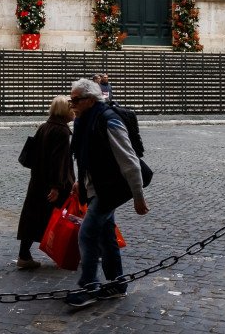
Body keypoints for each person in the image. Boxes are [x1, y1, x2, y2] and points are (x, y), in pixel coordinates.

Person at [65, 78, 148, 309]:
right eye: (70, 99)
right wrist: (80, 182)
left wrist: (138, 198)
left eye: (75, 100)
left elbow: (130, 161)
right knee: (105, 234)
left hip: (111, 189)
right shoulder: (84, 122)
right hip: (97, 186)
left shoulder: (109, 121)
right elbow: (87, 159)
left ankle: (89, 286)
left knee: (88, 233)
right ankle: (117, 284)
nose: (72, 104)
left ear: (90, 101)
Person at [17, 95, 76, 269]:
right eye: (72, 109)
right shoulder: (62, 131)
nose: (74, 112)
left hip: (38, 181)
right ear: (65, 111)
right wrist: (57, 186)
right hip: (56, 185)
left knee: (33, 218)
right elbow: (59, 161)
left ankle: (24, 255)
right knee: (72, 217)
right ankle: (87, 251)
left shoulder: (44, 127)